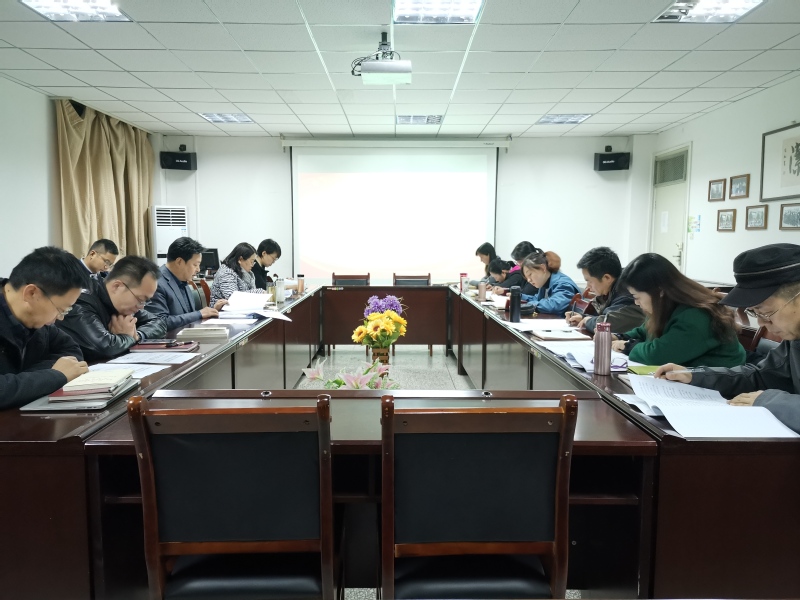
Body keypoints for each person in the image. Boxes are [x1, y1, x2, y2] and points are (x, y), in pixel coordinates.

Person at [656, 243, 800, 433]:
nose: (761, 323)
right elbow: (761, 376)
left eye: (765, 312)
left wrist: (771, 401)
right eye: (754, 312)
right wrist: (696, 376)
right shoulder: (794, 339)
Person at [611, 253, 745, 367]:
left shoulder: (696, 316)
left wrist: (628, 346)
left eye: (637, 297)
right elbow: (645, 331)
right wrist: (621, 337)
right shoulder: (667, 306)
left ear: (659, 291)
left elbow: (658, 355)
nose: (636, 303)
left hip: (718, 384)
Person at [1, 247, 91, 409]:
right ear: (31, 293)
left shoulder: (37, 320)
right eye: (61, 309)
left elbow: (71, 351)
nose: (60, 318)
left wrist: (24, 381)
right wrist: (53, 376)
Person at [57, 255, 167, 361]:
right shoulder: (82, 300)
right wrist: (127, 337)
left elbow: (159, 322)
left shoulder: (125, 306)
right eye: (141, 299)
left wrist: (138, 335)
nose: (142, 306)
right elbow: (104, 347)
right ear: (117, 286)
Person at [149, 237, 228, 331]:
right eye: (195, 265)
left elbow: (189, 315)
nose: (198, 269)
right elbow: (160, 322)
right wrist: (199, 314)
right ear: (179, 262)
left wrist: (212, 311)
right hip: (169, 338)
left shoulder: (182, 279)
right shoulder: (156, 283)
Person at [567, 247, 644, 334]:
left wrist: (587, 320)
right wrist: (583, 317)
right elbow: (606, 317)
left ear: (607, 278)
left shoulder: (626, 291)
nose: (587, 287)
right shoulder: (610, 290)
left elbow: (609, 324)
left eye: (589, 281)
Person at [519, 251, 580, 316]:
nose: (529, 280)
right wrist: (518, 296)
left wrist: (529, 305)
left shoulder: (563, 284)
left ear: (543, 268)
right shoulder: (546, 282)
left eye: (530, 274)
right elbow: (537, 299)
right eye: (527, 277)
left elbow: (555, 306)